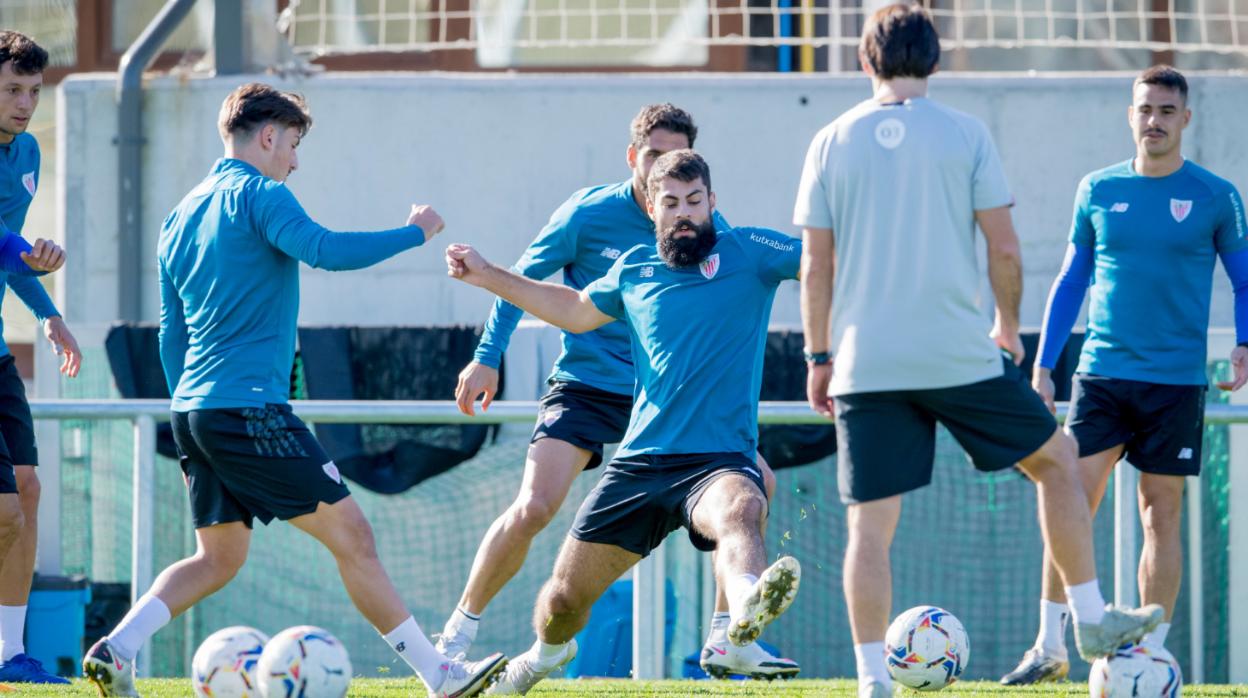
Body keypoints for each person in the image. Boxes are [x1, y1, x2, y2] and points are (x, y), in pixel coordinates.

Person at [81, 83, 504, 698]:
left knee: (218, 558)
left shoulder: (181, 214)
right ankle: (439, 675)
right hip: (248, 407)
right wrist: (415, 234)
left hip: (195, 411)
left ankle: (115, 648)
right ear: (269, 136)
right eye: (294, 145)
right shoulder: (260, 193)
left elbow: (171, 334)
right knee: (354, 536)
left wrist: (187, 414)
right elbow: (325, 251)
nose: (295, 161)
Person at [792, 5, 1163, 698]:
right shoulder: (966, 133)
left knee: (869, 527)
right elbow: (1005, 247)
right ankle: (1087, 619)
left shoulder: (830, 140)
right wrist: (1008, 328)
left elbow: (816, 265)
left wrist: (819, 357)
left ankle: (873, 682)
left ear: (865, 61)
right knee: (1056, 462)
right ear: (935, 60)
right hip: (956, 352)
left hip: (865, 360)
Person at [443, 104, 796, 680]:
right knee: (550, 567)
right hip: (614, 425)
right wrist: (485, 300)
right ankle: (504, 646)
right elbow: (565, 305)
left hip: (695, 434)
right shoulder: (618, 250)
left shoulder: (742, 247)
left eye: (694, 198)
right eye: (669, 197)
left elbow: (821, 259)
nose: (683, 210)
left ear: (710, 198)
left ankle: (735, 628)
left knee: (747, 501)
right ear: (647, 193)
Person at [1001, 65, 1248, 685]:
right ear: (1129, 114)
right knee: (1070, 498)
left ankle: (1148, 653)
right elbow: (1071, 280)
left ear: (1185, 118)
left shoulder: (1218, 196)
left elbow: (1244, 280)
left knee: (1159, 514)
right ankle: (1050, 644)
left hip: (1177, 381)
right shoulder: (1098, 188)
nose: (1154, 121)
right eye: (1145, 109)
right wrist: (1045, 363)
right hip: (1103, 375)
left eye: (1167, 110)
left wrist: (1244, 344)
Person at [0, 30, 82, 686]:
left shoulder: (25, 151)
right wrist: (22, 252)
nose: (25, 103)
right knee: (3, 512)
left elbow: (10, 251)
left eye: (33, 91)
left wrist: (50, 316)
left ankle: (9, 654)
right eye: (12, 90)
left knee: (28, 491)